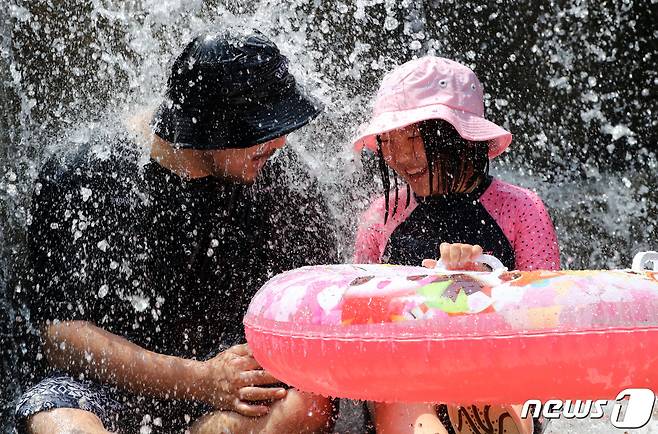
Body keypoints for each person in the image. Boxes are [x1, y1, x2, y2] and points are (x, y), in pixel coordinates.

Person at [14, 30, 338, 433]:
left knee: (307, 406)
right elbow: (59, 334)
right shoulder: (88, 171)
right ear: (212, 126)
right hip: (100, 390)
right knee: (61, 424)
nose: (281, 141)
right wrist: (199, 379)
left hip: (221, 394)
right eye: (264, 129)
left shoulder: (278, 179)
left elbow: (319, 296)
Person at [352, 57, 560, 434]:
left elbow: (549, 317)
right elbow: (356, 318)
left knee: (491, 396)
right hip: (405, 379)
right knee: (407, 400)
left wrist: (485, 282)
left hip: (493, 371)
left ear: (459, 135)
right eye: (388, 141)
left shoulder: (521, 209)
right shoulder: (382, 216)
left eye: (414, 138)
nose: (400, 158)